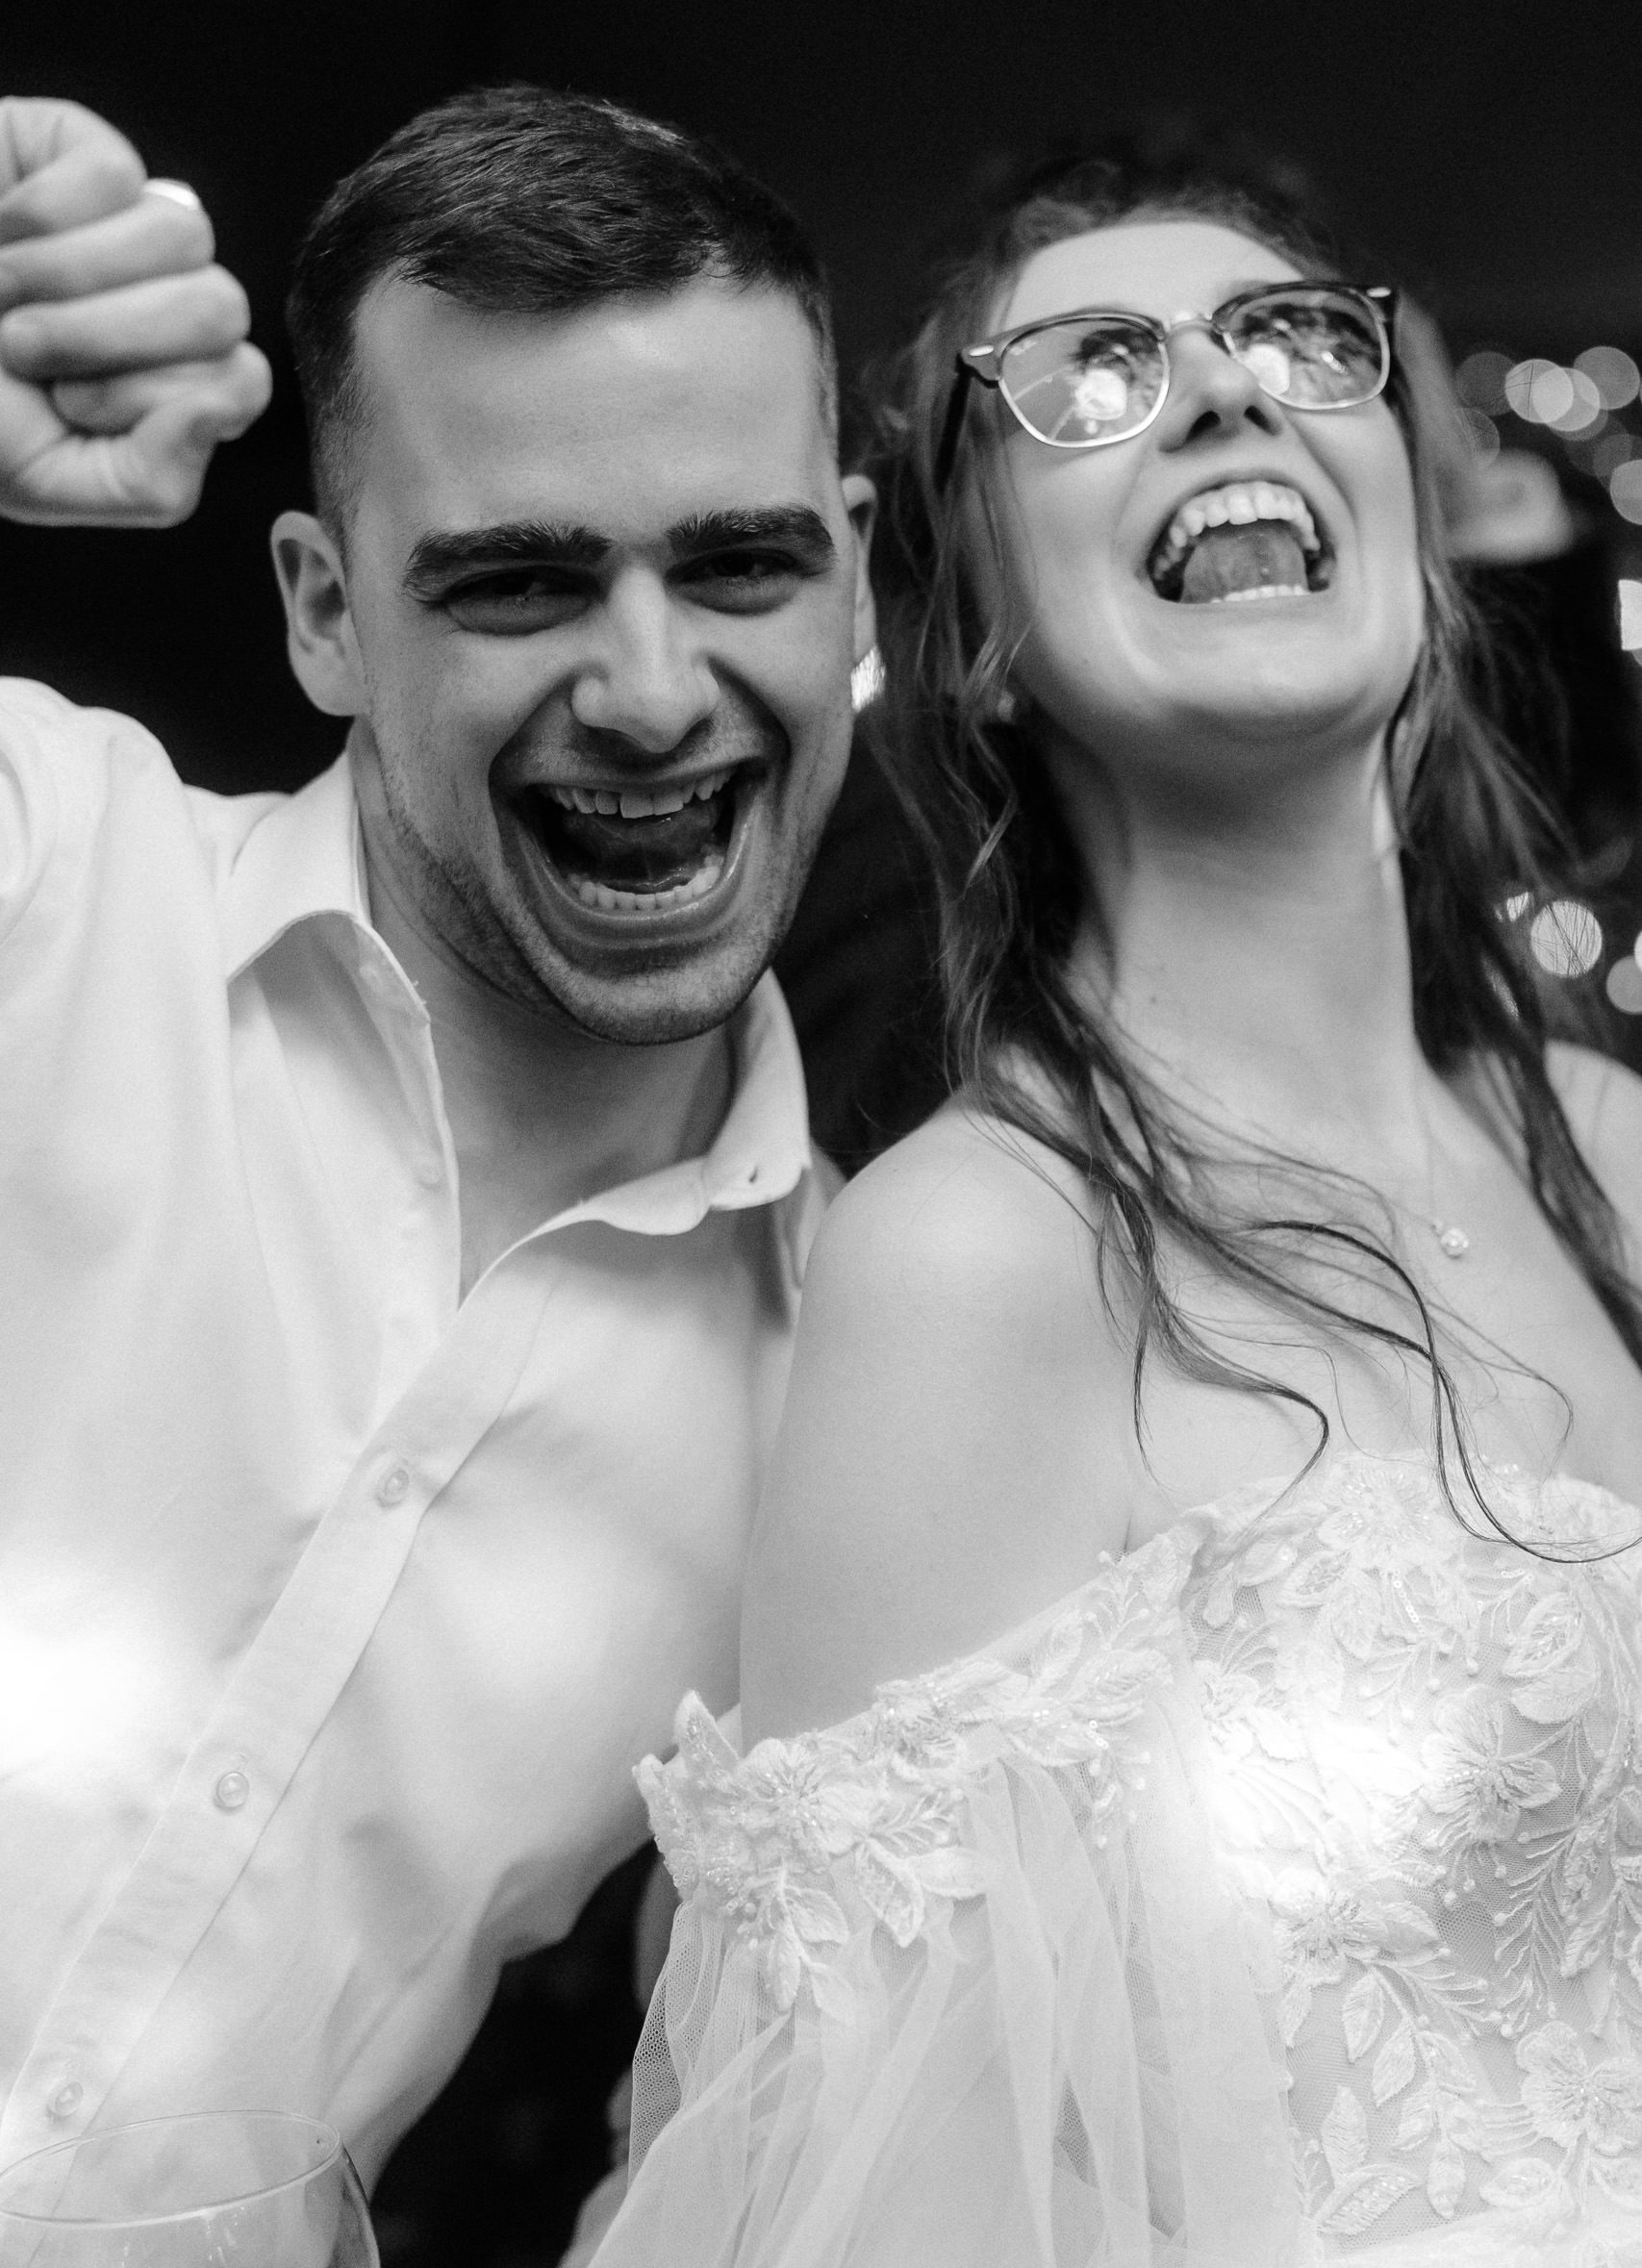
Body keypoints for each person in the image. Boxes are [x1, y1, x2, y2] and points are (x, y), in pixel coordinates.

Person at [592, 150, 1642, 2265]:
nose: (1228, 392)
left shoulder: (1613, 1146)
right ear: (978, 638)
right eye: (1089, 374)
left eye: (1297, 341)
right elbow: (893, 2197)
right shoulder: (975, 1260)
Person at [0, 81, 875, 2212]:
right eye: (519, 583)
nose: (651, 689)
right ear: (323, 612)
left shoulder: (858, 1380)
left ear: (852, 572)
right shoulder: (49, 878)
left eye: (739, 563)